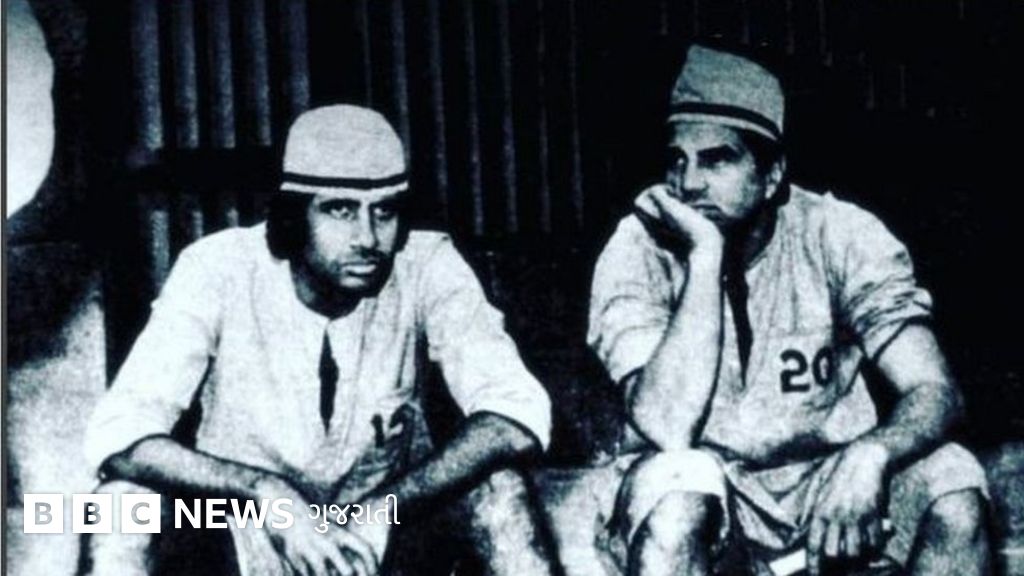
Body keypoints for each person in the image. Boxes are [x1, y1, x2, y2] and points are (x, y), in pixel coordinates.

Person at [82, 105, 557, 576]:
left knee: (500, 492)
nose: (367, 237)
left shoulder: (428, 264)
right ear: (292, 217)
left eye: (385, 211)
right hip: (245, 526)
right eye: (340, 210)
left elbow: (519, 415)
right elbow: (118, 434)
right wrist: (264, 491)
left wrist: (385, 507)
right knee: (120, 506)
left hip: (382, 532)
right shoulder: (216, 268)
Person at [587, 45, 990, 576]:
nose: (689, 183)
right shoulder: (639, 246)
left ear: (772, 173)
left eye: (717, 159)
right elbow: (667, 428)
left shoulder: (839, 233)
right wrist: (704, 255)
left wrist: (871, 455)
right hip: (702, 490)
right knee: (678, 493)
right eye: (677, 160)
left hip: (824, 486)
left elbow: (934, 389)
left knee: (952, 482)